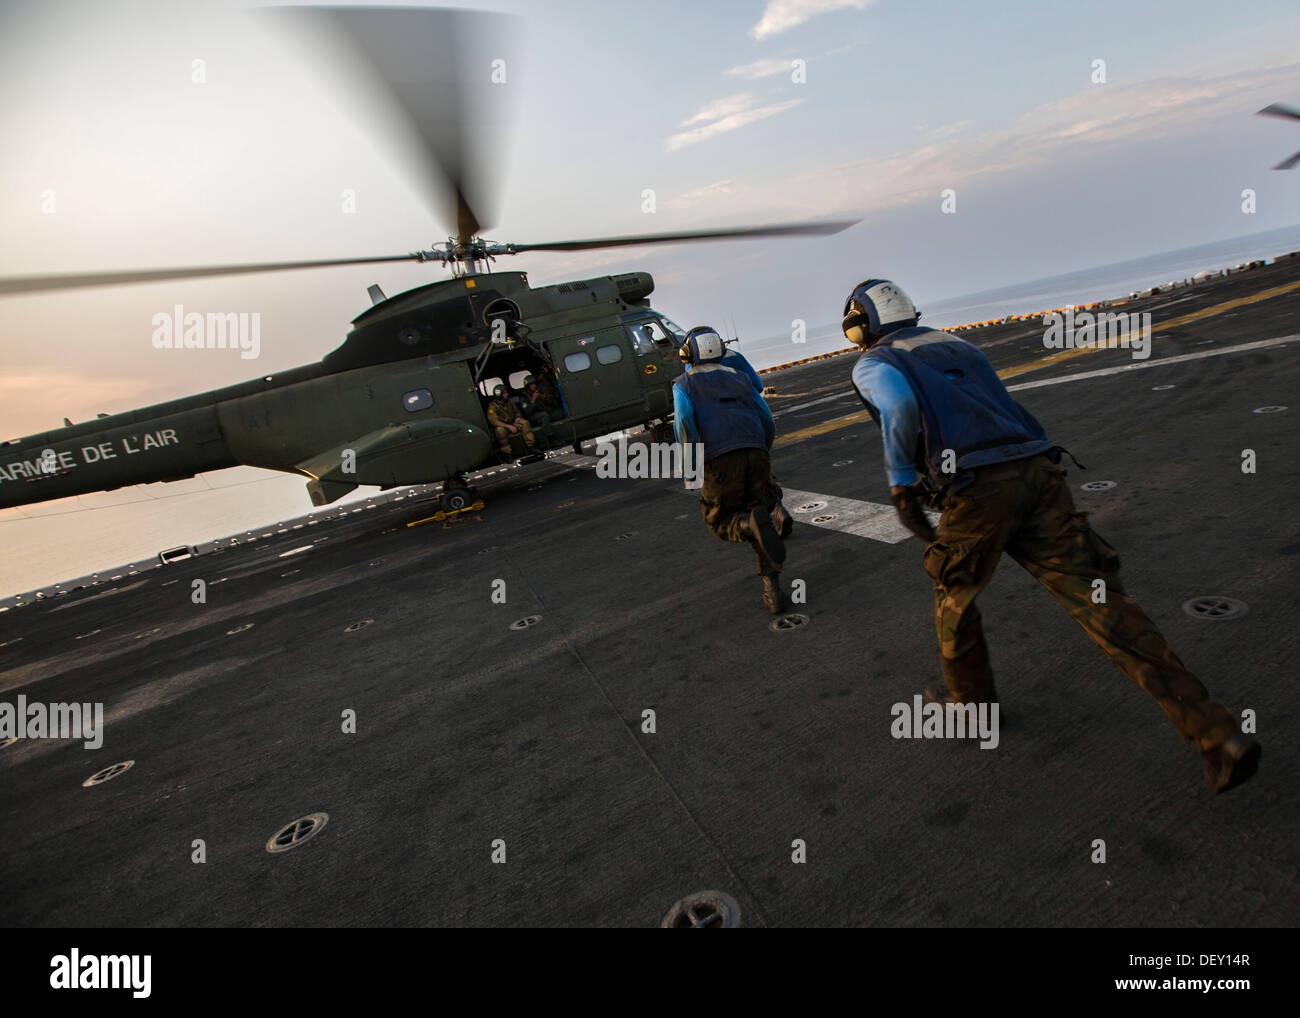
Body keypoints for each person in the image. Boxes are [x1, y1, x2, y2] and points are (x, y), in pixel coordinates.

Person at [842, 278, 1259, 793]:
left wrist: (902, 486)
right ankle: (1216, 734)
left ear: (859, 326)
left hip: (977, 494)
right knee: (1108, 608)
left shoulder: (872, 363)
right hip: (1038, 474)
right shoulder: (960, 345)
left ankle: (972, 709)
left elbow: (901, 409)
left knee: (955, 597)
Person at [673, 326, 789, 614]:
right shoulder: (739, 377)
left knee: (720, 519)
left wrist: (690, 467)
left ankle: (750, 526)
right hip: (756, 451)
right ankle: (772, 590)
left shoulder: (683, 384)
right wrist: (762, 450)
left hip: (720, 459)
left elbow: (685, 424)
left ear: (687, 354)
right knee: (758, 511)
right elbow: (766, 417)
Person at [485, 383, 536, 458]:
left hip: (513, 422)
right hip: (503, 426)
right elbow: (494, 421)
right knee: (499, 431)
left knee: (525, 423)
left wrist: (518, 417)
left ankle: (531, 447)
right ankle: (508, 454)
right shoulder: (492, 407)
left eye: (506, 392)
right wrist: (509, 427)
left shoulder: (509, 402)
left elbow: (517, 411)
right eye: (504, 393)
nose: (507, 394)